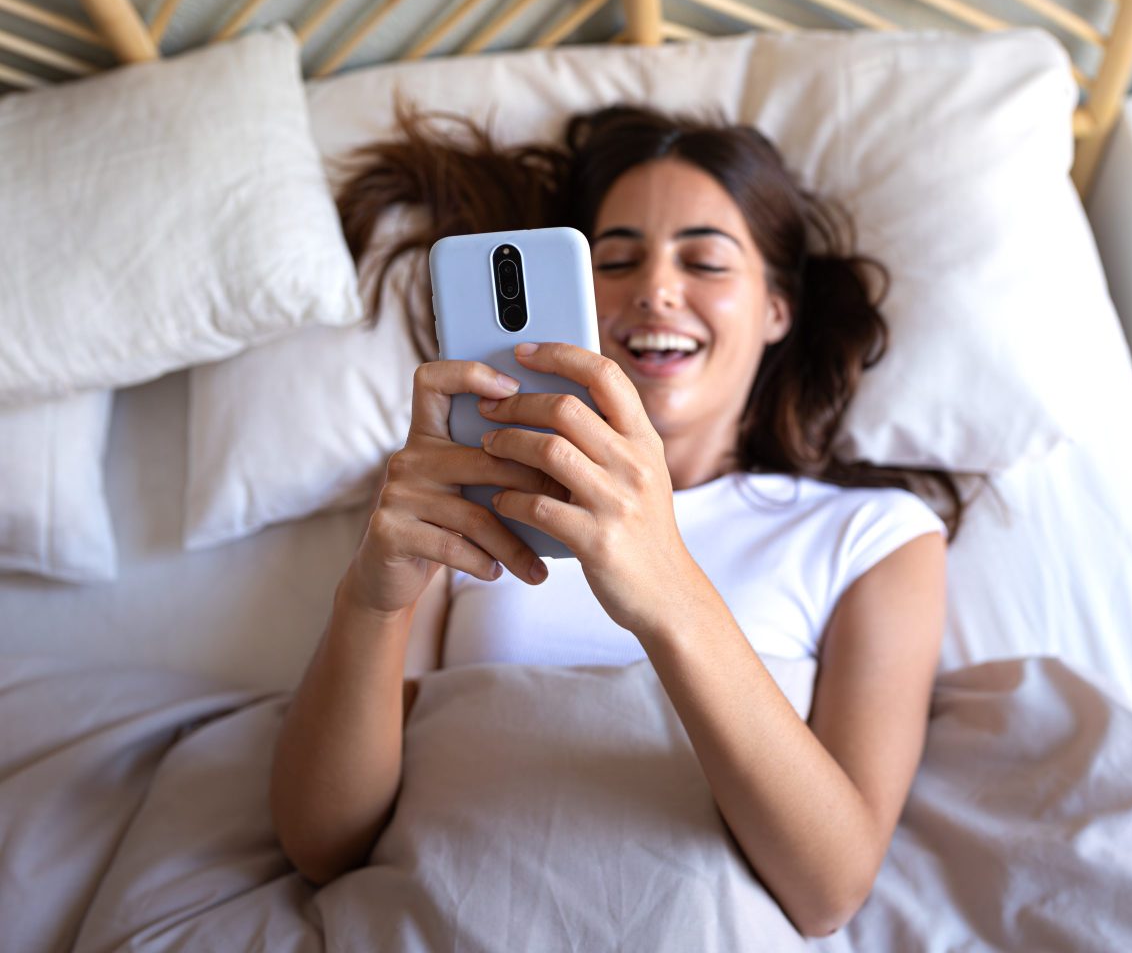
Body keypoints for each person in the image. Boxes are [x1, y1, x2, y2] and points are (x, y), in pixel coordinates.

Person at [269, 104, 964, 939]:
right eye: (617, 260)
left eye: (705, 260)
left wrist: (666, 587)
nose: (656, 289)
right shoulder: (463, 499)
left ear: (778, 309)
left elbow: (829, 889)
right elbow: (324, 845)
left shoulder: (873, 536)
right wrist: (370, 605)